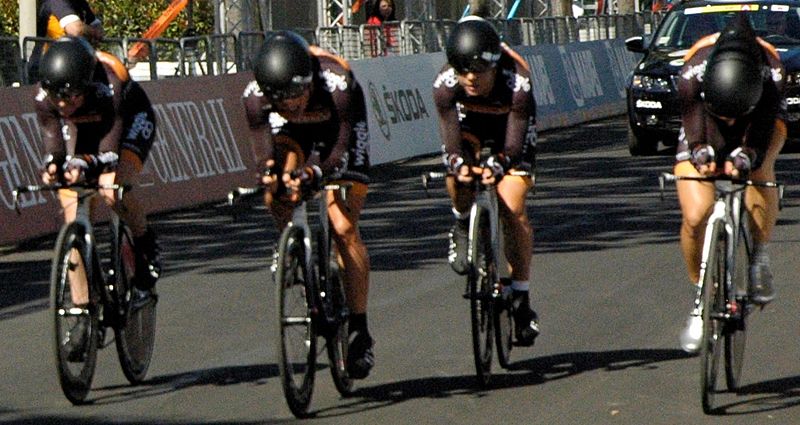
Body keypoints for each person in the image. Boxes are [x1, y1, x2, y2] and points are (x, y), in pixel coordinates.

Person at [242, 31, 375, 379]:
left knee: (344, 228)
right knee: (277, 185)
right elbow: (264, 154)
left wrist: (317, 172)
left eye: (296, 96)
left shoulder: (337, 82)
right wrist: (270, 175)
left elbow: (340, 149)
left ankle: (359, 327)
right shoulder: (256, 97)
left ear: (308, 81)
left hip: (337, 130)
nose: (291, 105)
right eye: (281, 100)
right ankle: (286, 239)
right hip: (292, 135)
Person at [35, 37, 161, 359]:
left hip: (128, 120)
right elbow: (55, 146)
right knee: (72, 209)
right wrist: (53, 166)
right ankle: (81, 311)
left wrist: (83, 163)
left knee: (110, 188)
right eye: (55, 97)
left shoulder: (111, 85)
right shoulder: (47, 97)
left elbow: (107, 154)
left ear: (85, 84)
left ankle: (145, 242)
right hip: (86, 124)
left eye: (68, 96)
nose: (61, 104)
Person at [675, 14, 786, 354]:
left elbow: (765, 127)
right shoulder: (691, 73)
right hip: (702, 123)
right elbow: (692, 124)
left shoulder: (773, 74)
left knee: (759, 173)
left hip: (758, 124)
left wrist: (747, 156)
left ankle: (759, 258)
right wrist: (700, 151)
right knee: (697, 214)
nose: (730, 121)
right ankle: (700, 296)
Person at [432, 16, 540, 347]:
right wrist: (460, 165)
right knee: (458, 177)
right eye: (463, 70)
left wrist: (501, 163)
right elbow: (452, 145)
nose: (470, 78)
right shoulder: (445, 84)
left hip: (509, 127)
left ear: (495, 65)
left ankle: (520, 295)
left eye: (479, 71)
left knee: (512, 206)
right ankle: (463, 222)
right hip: (469, 128)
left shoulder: (517, 80)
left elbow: (513, 146)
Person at [28, 0, 104, 83]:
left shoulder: (81, 4)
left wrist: (87, 30)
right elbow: (75, 30)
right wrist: (92, 32)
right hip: (48, 66)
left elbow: (99, 30)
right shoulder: (57, 2)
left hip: (73, 65)